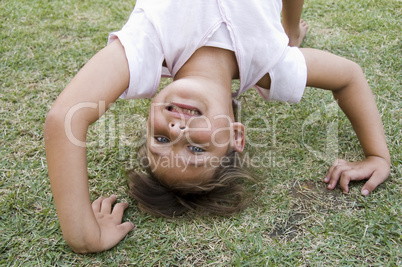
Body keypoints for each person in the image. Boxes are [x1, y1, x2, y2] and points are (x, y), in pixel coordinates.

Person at [44, 0, 390, 253]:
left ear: (149, 116)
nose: (178, 132)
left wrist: (84, 237)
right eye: (196, 148)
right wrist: (377, 155)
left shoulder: (146, 47)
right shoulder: (272, 61)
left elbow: (65, 119)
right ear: (236, 135)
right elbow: (348, 77)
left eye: (160, 138)